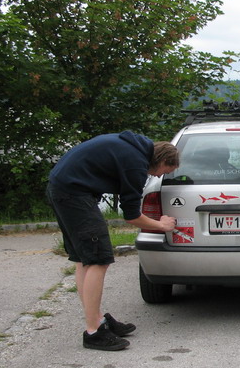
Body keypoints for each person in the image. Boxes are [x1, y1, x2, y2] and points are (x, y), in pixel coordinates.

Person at [46, 131, 179, 351]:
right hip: (73, 195)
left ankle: (98, 321)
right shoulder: (135, 163)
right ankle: (93, 333)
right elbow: (131, 216)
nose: (158, 177)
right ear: (164, 160)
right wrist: (161, 225)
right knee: (99, 259)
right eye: (166, 171)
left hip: (63, 188)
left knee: (84, 259)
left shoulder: (134, 149)